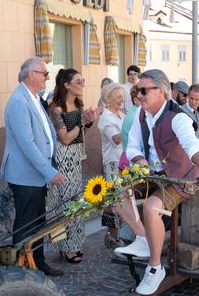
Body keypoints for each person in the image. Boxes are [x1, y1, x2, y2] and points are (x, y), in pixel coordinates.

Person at [114, 69, 199, 295]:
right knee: (116, 194)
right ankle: (143, 237)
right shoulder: (142, 115)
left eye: (143, 90)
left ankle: (155, 267)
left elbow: (193, 145)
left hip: (181, 176)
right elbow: (131, 146)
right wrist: (139, 159)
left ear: (161, 91)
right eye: (137, 90)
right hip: (154, 174)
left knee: (151, 207)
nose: (138, 95)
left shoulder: (177, 116)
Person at [0, 57, 65, 277]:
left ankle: (38, 263)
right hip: (25, 175)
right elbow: (26, 144)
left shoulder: (34, 97)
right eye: (44, 73)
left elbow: (45, 135)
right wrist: (49, 171)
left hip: (36, 174)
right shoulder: (19, 101)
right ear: (31, 74)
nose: (47, 77)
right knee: (26, 224)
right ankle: (21, 271)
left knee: (38, 222)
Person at [46, 69, 101, 263]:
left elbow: (79, 135)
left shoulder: (78, 104)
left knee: (76, 202)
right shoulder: (56, 108)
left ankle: (74, 244)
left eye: (83, 80)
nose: (83, 84)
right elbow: (65, 139)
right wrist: (83, 122)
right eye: (79, 81)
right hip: (62, 158)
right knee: (63, 204)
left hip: (76, 158)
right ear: (66, 85)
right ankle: (65, 246)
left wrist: (88, 123)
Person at [98, 82, 126, 248]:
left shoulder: (121, 115)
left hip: (123, 160)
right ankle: (111, 235)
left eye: (123, 96)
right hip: (112, 162)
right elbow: (116, 139)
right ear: (108, 98)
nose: (121, 99)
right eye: (118, 96)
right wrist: (131, 128)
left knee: (122, 199)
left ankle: (118, 234)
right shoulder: (106, 117)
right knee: (112, 200)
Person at [120, 85, 140, 169]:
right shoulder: (135, 115)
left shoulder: (135, 113)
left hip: (129, 157)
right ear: (135, 100)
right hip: (131, 160)